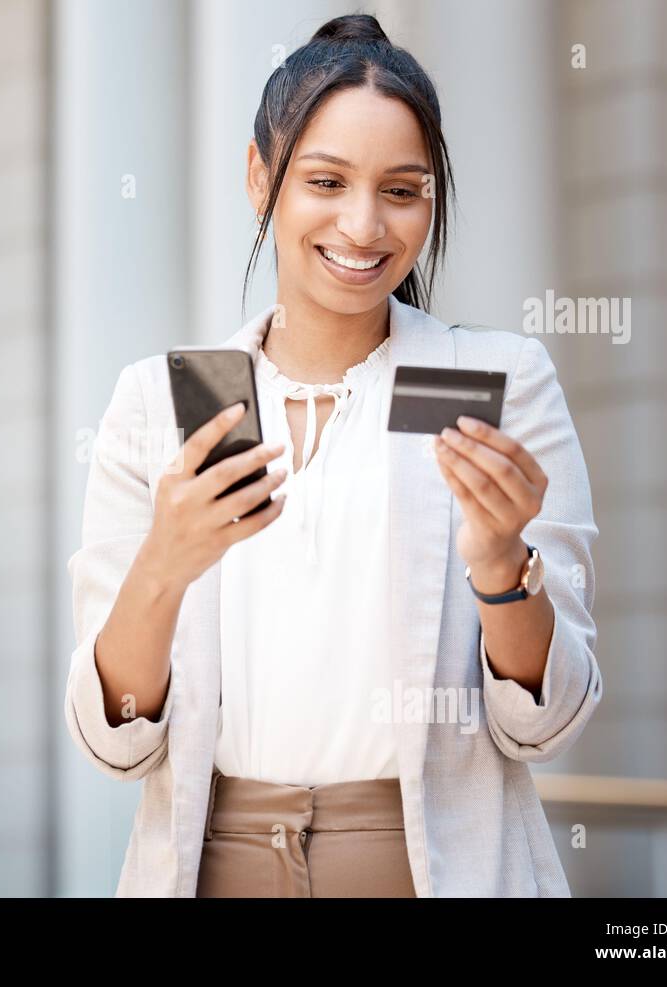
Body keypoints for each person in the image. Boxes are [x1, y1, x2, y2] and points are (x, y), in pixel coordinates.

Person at [64, 13, 601, 897]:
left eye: (402, 190)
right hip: (215, 865)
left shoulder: (495, 381)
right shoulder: (167, 402)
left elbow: (548, 721)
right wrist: (164, 566)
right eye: (326, 181)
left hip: (429, 867)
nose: (364, 225)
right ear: (259, 177)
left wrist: (504, 565)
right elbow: (115, 738)